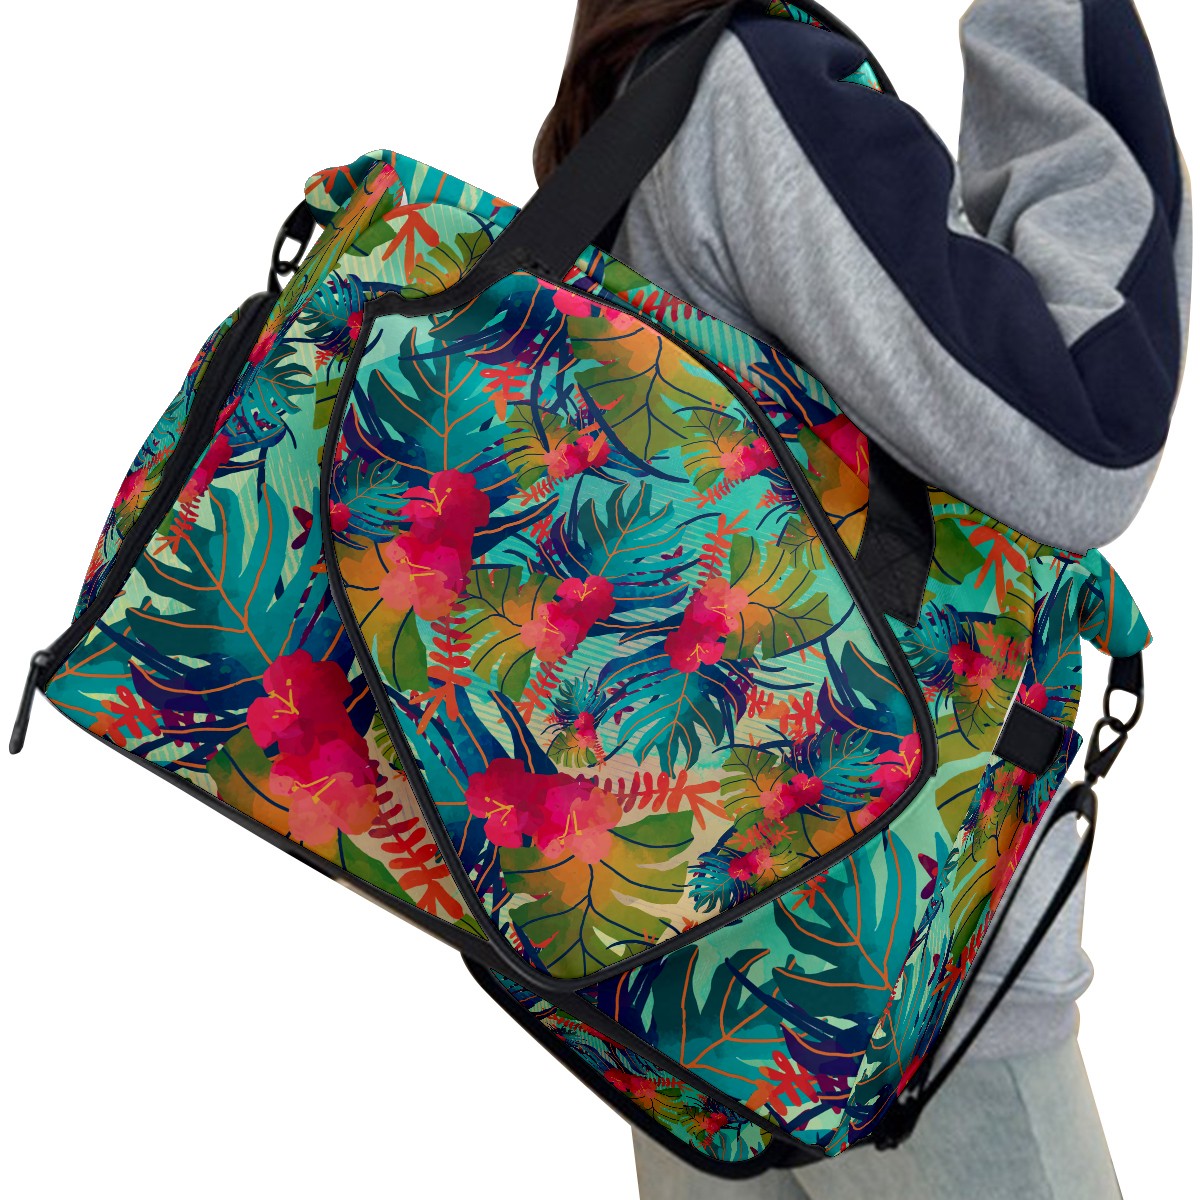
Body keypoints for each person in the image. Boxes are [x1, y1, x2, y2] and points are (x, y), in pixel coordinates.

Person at [533, 2, 1191, 1197]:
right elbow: (1086, 432)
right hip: (900, 989)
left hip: (673, 975)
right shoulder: (756, 91)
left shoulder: (627, 124)